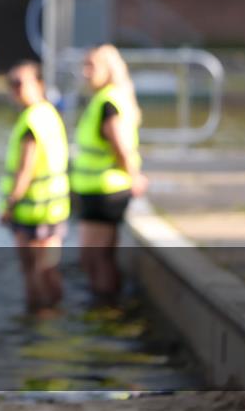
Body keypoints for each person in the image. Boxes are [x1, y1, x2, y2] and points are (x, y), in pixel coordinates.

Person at [70, 44, 148, 303]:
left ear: (109, 69)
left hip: (105, 192)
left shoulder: (108, 104)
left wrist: (134, 176)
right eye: (85, 66)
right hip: (99, 190)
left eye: (91, 66)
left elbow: (121, 146)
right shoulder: (106, 99)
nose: (85, 72)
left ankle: (106, 306)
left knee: (94, 257)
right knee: (98, 257)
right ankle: (107, 303)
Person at [0, 60, 70, 315]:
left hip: (34, 210)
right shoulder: (48, 113)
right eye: (11, 84)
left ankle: (42, 318)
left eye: (19, 83)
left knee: (37, 271)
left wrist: (9, 205)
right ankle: (48, 315)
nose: (14, 89)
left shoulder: (32, 121)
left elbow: (25, 170)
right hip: (49, 207)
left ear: (38, 84)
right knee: (45, 270)